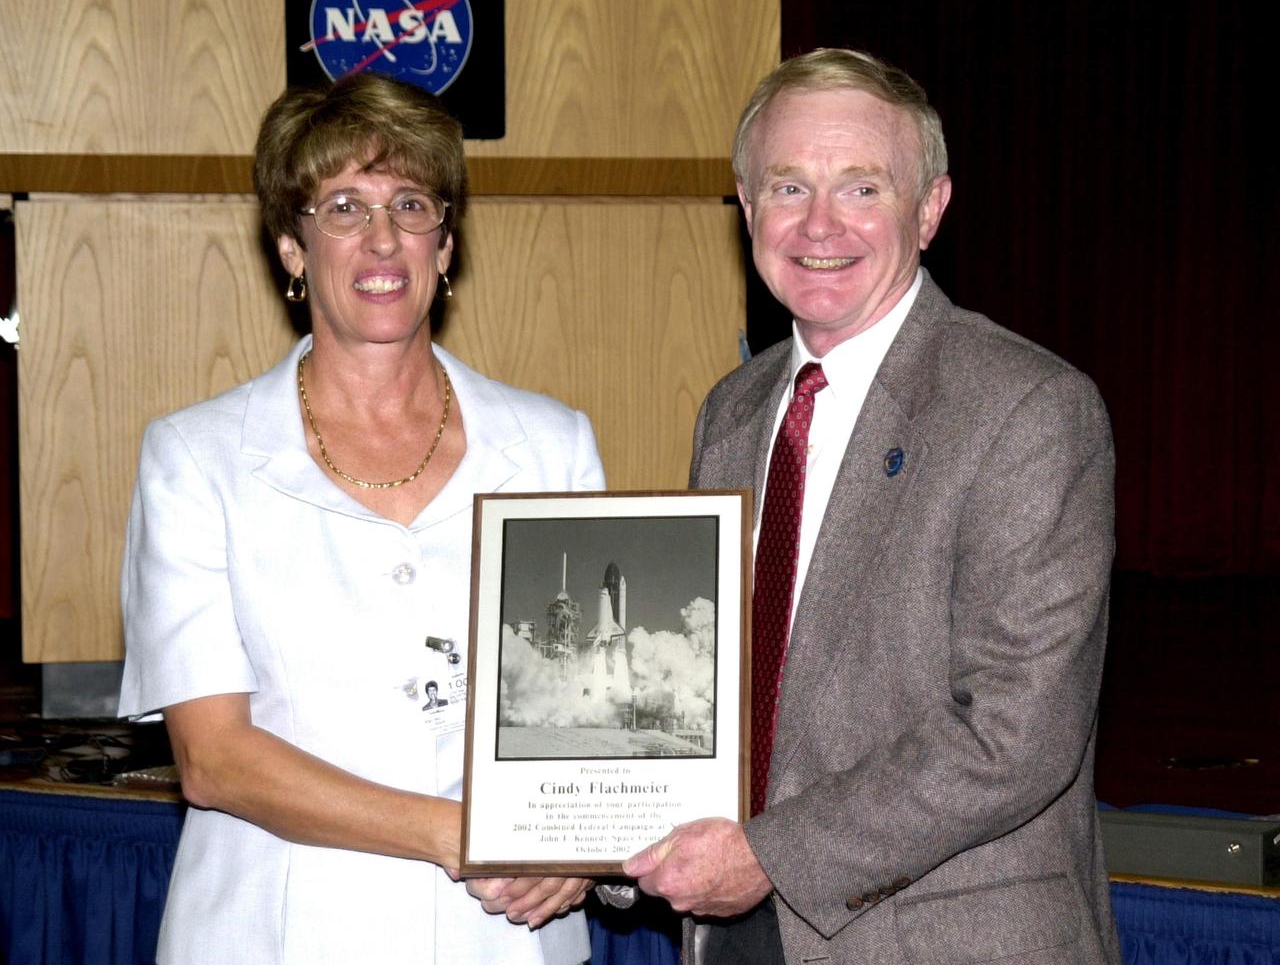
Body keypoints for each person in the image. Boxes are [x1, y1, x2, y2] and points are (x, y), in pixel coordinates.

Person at [624, 49, 1121, 964]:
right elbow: (700, 690)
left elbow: (1014, 730)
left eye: (862, 188)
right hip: (737, 938)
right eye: (788, 186)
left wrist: (770, 855)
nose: (820, 224)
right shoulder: (733, 412)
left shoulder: (1026, 408)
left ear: (929, 209)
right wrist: (606, 832)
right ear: (744, 203)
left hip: (944, 938)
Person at [118, 73, 602, 965]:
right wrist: (456, 831)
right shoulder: (195, 458)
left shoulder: (552, 444)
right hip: (275, 931)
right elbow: (213, 759)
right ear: (291, 247)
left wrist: (580, 843)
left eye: (411, 204)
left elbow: (586, 715)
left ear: (447, 243)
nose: (383, 240)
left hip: (501, 934)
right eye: (343, 206)